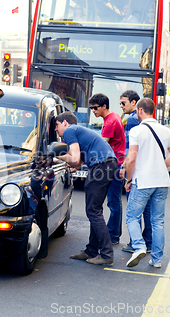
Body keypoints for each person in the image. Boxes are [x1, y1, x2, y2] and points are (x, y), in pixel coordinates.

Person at [123, 98, 170, 268]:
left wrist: (128, 179)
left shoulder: (136, 131)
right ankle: (156, 260)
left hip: (143, 181)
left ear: (140, 110)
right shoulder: (165, 131)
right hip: (162, 181)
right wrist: (161, 166)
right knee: (158, 221)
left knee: (132, 216)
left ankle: (139, 246)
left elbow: (131, 158)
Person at [55, 111, 117, 265]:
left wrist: (55, 154)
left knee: (93, 211)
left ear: (64, 123)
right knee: (95, 210)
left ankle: (107, 254)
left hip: (101, 166)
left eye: (56, 125)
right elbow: (78, 162)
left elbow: (74, 158)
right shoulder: (78, 131)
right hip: (107, 165)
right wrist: (71, 165)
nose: (55, 129)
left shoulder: (69, 131)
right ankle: (91, 250)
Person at [89, 93, 126, 245]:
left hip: (115, 165)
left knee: (113, 202)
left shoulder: (110, 122)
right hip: (117, 162)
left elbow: (101, 146)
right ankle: (114, 233)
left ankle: (113, 236)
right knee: (114, 201)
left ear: (104, 106)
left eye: (95, 108)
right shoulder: (113, 117)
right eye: (91, 108)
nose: (93, 111)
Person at [119, 90, 152, 254]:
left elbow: (129, 149)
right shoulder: (140, 120)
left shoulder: (132, 120)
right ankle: (148, 242)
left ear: (134, 103)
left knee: (134, 209)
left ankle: (135, 243)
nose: (121, 106)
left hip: (137, 169)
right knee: (148, 210)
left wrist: (125, 168)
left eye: (123, 103)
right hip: (148, 171)